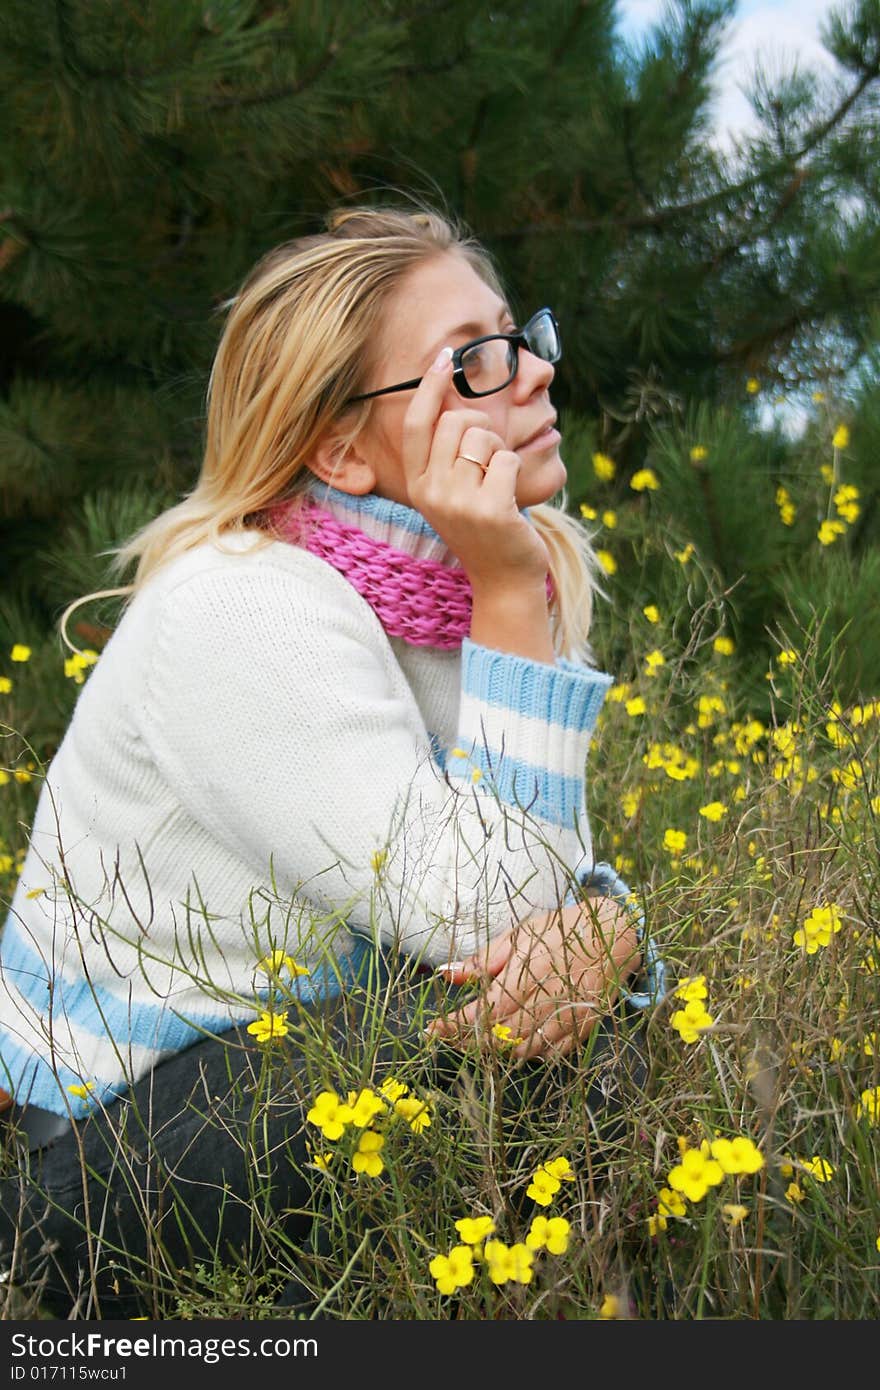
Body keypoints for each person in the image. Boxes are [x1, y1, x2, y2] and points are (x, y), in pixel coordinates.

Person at [0, 203, 663, 1318]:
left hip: (264, 1083)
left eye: (522, 336)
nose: (537, 374)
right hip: (90, 1152)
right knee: (516, 1061)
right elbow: (486, 914)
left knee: (578, 1036)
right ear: (341, 445)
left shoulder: (465, 596)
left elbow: (543, 892)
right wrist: (507, 591)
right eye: (476, 362)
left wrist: (607, 927)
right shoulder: (243, 607)